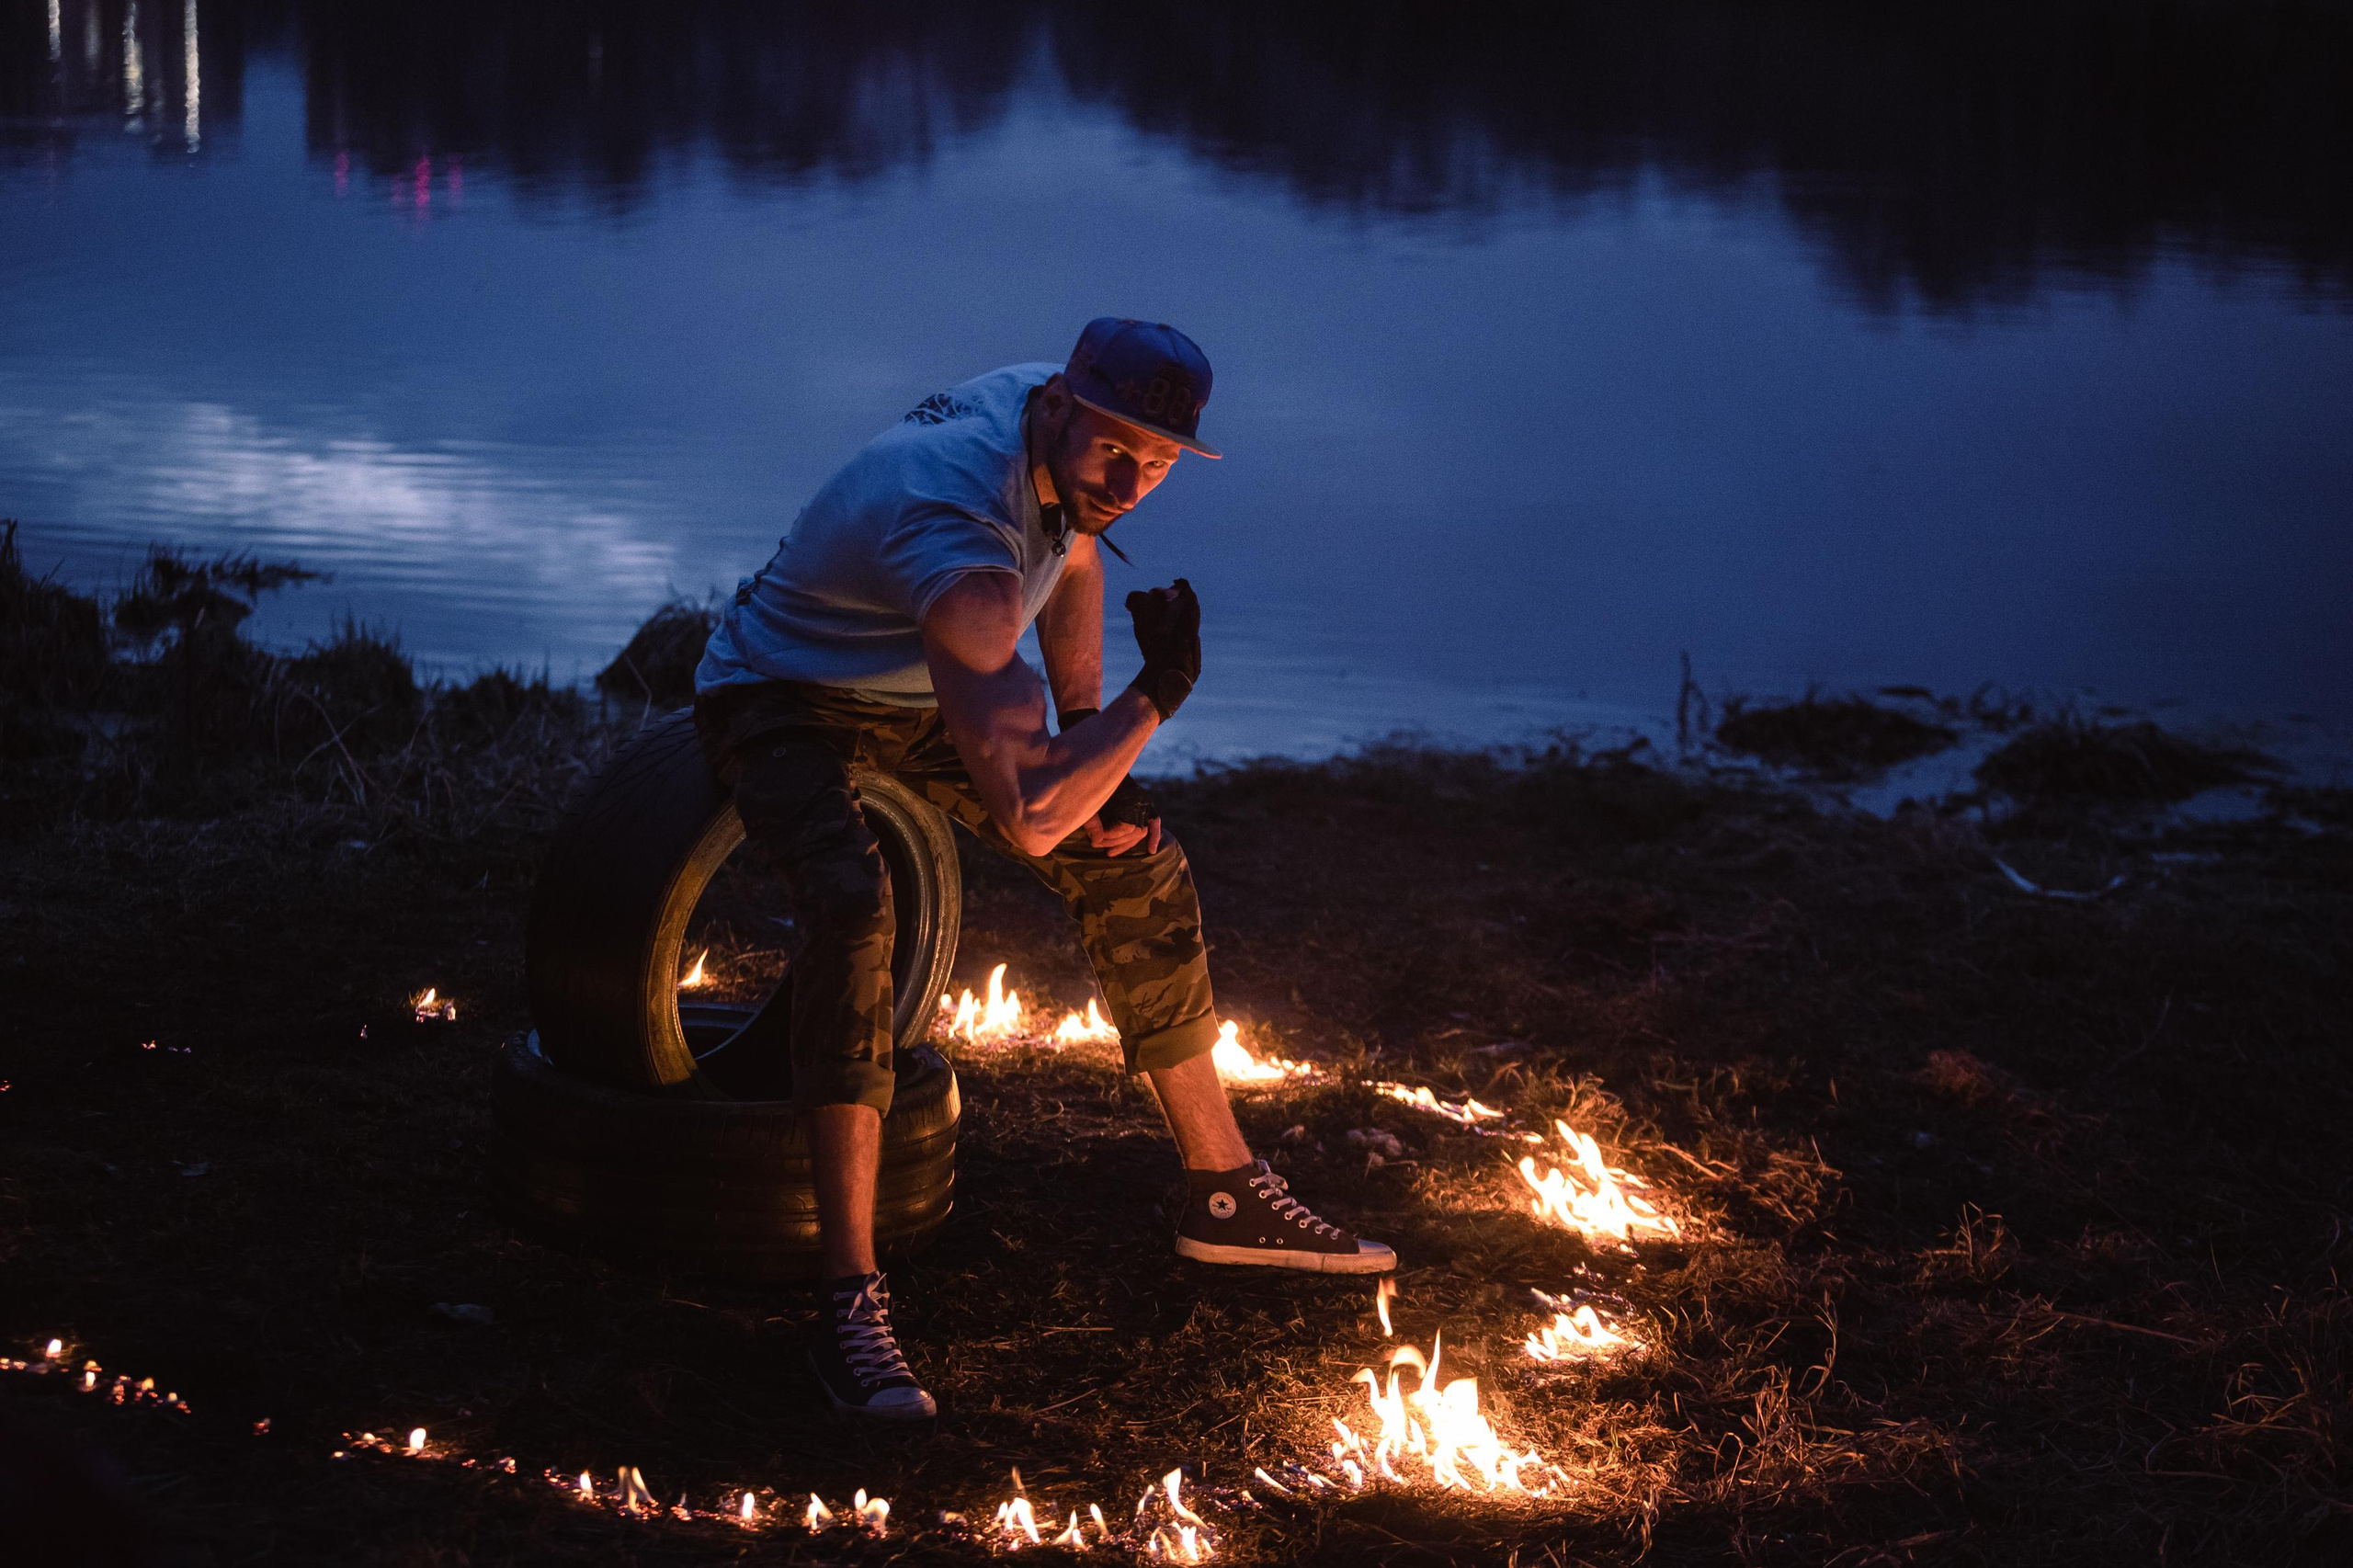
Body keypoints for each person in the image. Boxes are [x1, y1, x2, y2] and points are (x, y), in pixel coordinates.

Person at [693, 318, 1396, 1423]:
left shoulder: (1054, 419)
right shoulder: (959, 541)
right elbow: (1028, 816)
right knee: (852, 902)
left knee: (1133, 859)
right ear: (1063, 408)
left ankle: (1223, 1191)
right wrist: (1156, 695)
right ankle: (845, 1297)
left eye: (1158, 462)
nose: (1130, 481)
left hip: (920, 685)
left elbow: (1073, 552)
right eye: (1114, 450)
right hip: (780, 689)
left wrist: (1087, 735)